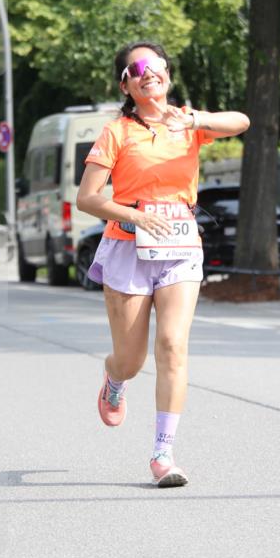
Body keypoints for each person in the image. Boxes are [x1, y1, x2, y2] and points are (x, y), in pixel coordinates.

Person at [77, 41, 250, 487]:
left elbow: (242, 122)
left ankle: (162, 454)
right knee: (132, 359)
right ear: (126, 83)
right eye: (138, 68)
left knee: (172, 345)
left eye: (156, 65)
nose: (148, 71)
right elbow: (87, 198)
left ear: (167, 74)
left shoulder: (188, 122)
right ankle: (114, 380)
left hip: (180, 248)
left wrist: (196, 119)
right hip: (127, 248)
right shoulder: (117, 132)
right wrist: (134, 214)